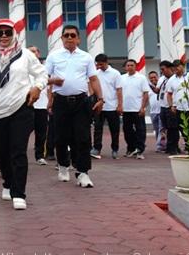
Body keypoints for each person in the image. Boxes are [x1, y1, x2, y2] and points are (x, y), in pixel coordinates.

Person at [0, 19, 47, 210]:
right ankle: (7, 182)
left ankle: (19, 193)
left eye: (8, 32)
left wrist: (37, 88)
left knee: (18, 150)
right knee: (1, 152)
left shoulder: (25, 55)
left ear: (14, 33)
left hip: (20, 109)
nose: (4, 36)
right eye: (0, 33)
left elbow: (42, 74)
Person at [45, 25, 103, 188]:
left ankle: (83, 172)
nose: (69, 38)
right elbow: (43, 77)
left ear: (78, 39)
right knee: (61, 137)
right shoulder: (53, 56)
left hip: (81, 102)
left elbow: (93, 79)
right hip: (61, 102)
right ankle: (63, 166)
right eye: (66, 35)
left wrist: (100, 98)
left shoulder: (86, 57)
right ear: (62, 38)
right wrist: (54, 82)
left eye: (72, 35)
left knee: (83, 137)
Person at [90, 54, 123, 160]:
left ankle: (115, 149)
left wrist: (120, 105)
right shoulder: (96, 74)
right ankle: (96, 148)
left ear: (106, 62)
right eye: (97, 64)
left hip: (112, 106)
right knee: (97, 129)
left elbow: (119, 90)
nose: (99, 66)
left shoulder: (115, 73)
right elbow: (92, 87)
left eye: (101, 64)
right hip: (99, 106)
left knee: (114, 129)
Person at [120, 59, 151, 159]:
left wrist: (143, 107)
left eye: (132, 65)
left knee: (140, 130)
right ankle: (131, 148)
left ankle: (140, 150)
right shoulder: (121, 78)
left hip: (137, 109)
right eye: (128, 65)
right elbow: (119, 92)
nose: (130, 67)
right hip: (126, 109)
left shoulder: (141, 78)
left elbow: (146, 93)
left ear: (135, 66)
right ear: (125, 67)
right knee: (127, 130)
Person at [28, 46, 51, 166]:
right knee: (23, 132)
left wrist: (50, 101)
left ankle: (40, 156)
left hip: (41, 105)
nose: (32, 53)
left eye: (34, 51)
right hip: (27, 106)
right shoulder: (23, 68)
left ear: (38, 53)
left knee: (41, 133)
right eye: (30, 51)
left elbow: (49, 86)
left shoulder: (44, 69)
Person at [155, 61, 174, 153]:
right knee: (164, 128)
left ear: (170, 68)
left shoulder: (175, 79)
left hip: (171, 107)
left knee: (172, 128)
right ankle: (166, 146)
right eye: (161, 70)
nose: (162, 72)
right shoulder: (162, 79)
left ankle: (173, 147)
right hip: (162, 106)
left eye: (163, 69)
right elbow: (158, 91)